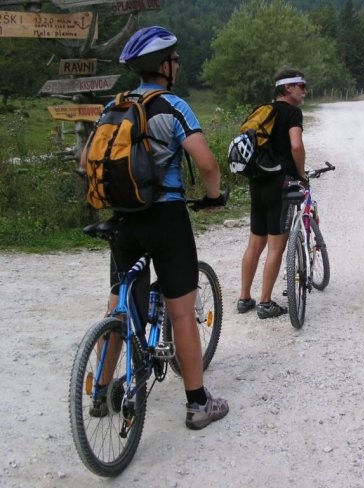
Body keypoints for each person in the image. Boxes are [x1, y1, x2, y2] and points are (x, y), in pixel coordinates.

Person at [80, 26, 229, 430]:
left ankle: (100, 393)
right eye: (175, 60)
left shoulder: (114, 108)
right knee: (182, 312)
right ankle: (198, 404)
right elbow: (207, 164)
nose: (177, 65)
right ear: (164, 66)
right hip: (165, 218)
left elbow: (85, 164)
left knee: (121, 303)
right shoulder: (172, 106)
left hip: (123, 220)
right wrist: (214, 197)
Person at [237, 67, 308, 319]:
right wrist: (301, 175)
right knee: (276, 245)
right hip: (281, 183)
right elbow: (296, 145)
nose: (305, 91)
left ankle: (244, 298)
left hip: (258, 181)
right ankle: (266, 303)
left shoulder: (262, 111)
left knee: (256, 242)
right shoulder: (292, 113)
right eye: (301, 86)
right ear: (287, 88)